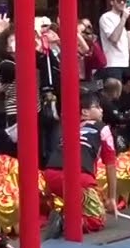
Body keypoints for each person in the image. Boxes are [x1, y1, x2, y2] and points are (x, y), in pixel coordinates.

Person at [42, 93, 118, 235]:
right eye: (97, 107)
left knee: (79, 201)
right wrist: (112, 197)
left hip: (51, 175)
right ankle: (65, 221)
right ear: (85, 112)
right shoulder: (102, 128)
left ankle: (63, 214)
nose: (102, 110)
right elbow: (110, 164)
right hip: (79, 178)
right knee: (97, 218)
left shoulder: (69, 128)